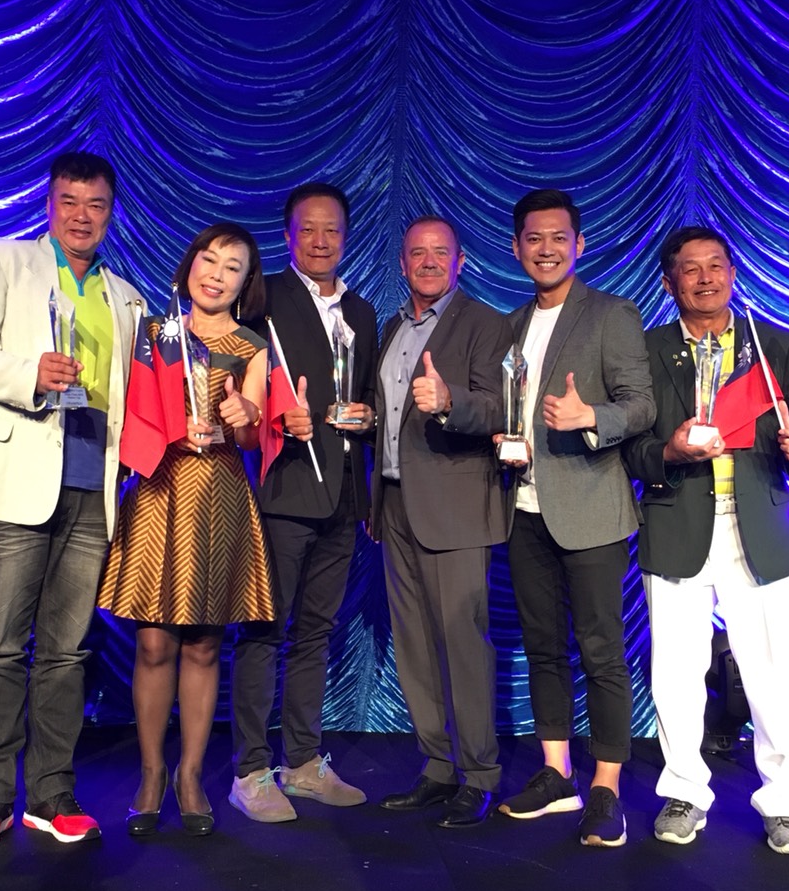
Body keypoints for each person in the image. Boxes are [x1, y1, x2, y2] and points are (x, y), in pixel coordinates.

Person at [0, 151, 145, 847]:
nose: (82, 216)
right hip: (15, 486)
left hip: (93, 491)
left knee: (66, 653)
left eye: (95, 204)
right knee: (1, 648)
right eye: (69, 201)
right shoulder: (3, 262)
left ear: (110, 212)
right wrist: (30, 373)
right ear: (50, 204)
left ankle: (53, 792)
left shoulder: (126, 297)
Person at [623, 225, 789, 854]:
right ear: (669, 281)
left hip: (759, 527)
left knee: (773, 675)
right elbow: (631, 446)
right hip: (676, 523)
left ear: (732, 272)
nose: (705, 278)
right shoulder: (645, 351)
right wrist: (669, 453)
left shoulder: (774, 345)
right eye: (690, 268)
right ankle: (684, 792)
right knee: (676, 672)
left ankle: (784, 804)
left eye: (716, 265)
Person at [99, 223, 274, 837]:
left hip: (219, 495)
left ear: (245, 283)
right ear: (190, 264)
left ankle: (191, 776)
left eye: (233, 267)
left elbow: (252, 434)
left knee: (203, 644)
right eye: (209, 259)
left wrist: (246, 414)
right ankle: (151, 773)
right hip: (159, 490)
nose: (216, 274)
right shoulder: (153, 333)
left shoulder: (253, 346)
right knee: (153, 644)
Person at [494, 189, 655, 846]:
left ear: (579, 244)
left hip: (590, 509)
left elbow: (641, 405)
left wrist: (591, 417)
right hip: (523, 509)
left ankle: (606, 787)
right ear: (516, 248)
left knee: (601, 650)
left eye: (559, 237)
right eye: (534, 239)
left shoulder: (611, 313)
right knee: (542, 647)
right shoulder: (508, 324)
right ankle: (557, 774)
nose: (547, 249)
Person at [229, 183, 378, 823]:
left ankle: (304, 762)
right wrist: (272, 418)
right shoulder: (260, 301)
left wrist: (367, 418)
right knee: (265, 631)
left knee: (315, 633)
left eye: (332, 230)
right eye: (308, 230)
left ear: (346, 236)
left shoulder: (363, 312)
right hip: (284, 494)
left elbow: (365, 399)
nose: (321, 241)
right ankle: (249, 771)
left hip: (343, 499)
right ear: (289, 236)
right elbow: (235, 390)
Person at [373, 216, 511, 829]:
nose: (428, 261)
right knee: (414, 645)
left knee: (462, 644)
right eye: (416, 253)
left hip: (456, 508)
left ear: (460, 261)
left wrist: (451, 401)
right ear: (402, 263)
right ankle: (437, 767)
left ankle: (479, 774)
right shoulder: (392, 327)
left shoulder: (485, 323)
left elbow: (501, 406)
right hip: (395, 503)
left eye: (440, 252)